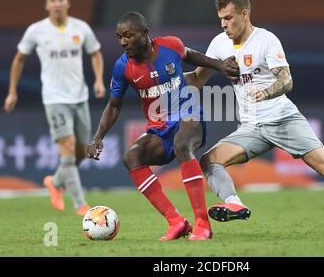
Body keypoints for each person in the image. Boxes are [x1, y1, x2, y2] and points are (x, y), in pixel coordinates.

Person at [186, 0, 324, 235]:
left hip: (283, 120)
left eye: (228, 18)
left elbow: (286, 80)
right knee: (209, 161)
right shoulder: (219, 44)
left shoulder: (266, 40)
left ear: (244, 14)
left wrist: (266, 92)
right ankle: (234, 204)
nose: (224, 25)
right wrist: (167, 80)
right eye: (221, 19)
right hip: (251, 127)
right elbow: (197, 79)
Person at [86, 12, 238, 241]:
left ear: (145, 34)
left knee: (182, 145)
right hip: (159, 127)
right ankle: (176, 221)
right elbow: (113, 105)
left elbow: (192, 56)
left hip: (189, 115)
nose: (123, 42)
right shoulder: (122, 67)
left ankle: (202, 224)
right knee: (132, 158)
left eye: (128, 35)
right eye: (119, 37)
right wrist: (98, 137)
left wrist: (220, 65)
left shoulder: (170, 45)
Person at [4, 0, 106, 216]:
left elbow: (96, 53)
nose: (57, 3)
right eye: (52, 0)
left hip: (79, 97)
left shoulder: (81, 28)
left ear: (68, 3)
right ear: (46, 5)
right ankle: (81, 203)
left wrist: (99, 80)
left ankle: (55, 182)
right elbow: (19, 59)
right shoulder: (36, 31)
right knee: (67, 149)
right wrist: (12, 91)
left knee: (82, 152)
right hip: (54, 99)